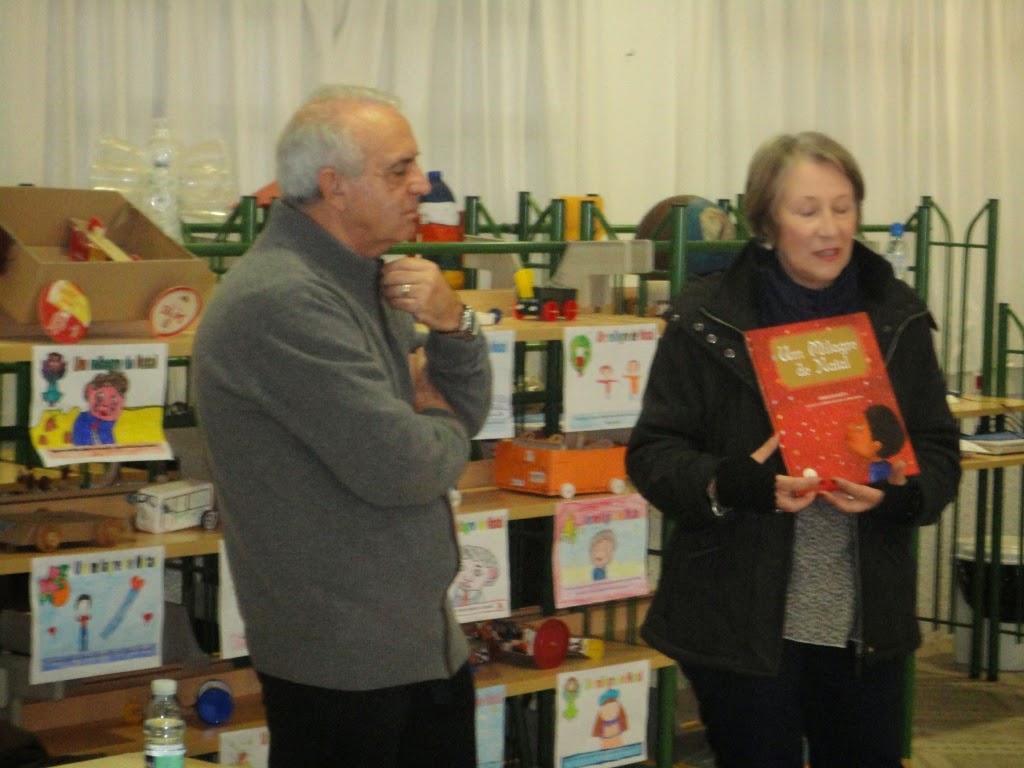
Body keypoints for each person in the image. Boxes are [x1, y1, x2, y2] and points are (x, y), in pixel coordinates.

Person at [626, 131, 960, 767]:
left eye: (843, 207)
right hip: (741, 623)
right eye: (807, 211)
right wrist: (733, 483)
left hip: (866, 630)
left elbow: (939, 449)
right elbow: (654, 453)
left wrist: (899, 495)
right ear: (766, 222)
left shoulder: (897, 316)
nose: (829, 228)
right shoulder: (708, 318)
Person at [192, 84, 492, 767]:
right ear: (335, 187)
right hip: (341, 664)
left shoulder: (366, 279)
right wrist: (435, 414)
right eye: (399, 169)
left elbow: (454, 417)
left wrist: (454, 326)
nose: (422, 185)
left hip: (416, 643)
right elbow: (405, 467)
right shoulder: (283, 300)